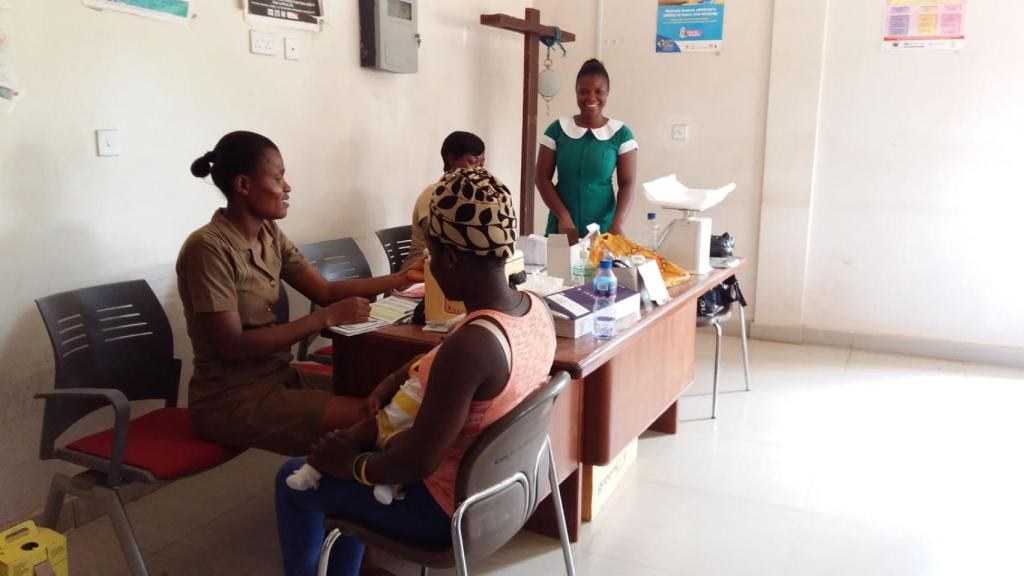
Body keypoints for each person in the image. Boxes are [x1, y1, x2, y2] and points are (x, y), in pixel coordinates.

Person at [275, 167, 557, 576]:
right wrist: (395, 378)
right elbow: (456, 357)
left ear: (451, 258)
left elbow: (417, 461)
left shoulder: (473, 346)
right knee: (360, 451)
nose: (430, 267)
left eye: (431, 256)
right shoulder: (532, 309)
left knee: (291, 479)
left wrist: (350, 465)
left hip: (443, 514)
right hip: (504, 496)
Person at [177, 130, 422, 457]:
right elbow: (233, 347)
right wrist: (325, 318)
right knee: (377, 417)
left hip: (278, 377)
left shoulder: (268, 233)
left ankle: (348, 489)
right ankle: (334, 495)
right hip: (231, 398)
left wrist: (402, 277)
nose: (287, 188)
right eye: (278, 178)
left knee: (394, 397)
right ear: (243, 185)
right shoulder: (207, 249)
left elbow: (326, 290)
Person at [536, 58, 639, 243]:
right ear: (576, 93)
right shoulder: (557, 129)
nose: (591, 98)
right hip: (562, 225)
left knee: (602, 271)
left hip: (604, 227)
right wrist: (563, 217)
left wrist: (618, 223)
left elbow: (627, 183)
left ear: (608, 93)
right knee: (557, 271)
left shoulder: (621, 134)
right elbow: (541, 178)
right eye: (583, 92)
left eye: (599, 91)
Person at [400, 131, 486, 272]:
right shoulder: (433, 194)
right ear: (451, 159)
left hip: (454, 270)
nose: (478, 171)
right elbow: (439, 244)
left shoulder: (472, 196)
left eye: (481, 165)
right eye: (472, 162)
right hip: (420, 272)